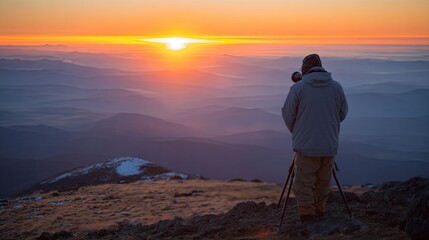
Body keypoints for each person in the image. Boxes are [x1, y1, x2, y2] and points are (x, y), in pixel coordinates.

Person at [282, 54, 348, 223]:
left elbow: (289, 116)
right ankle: (320, 210)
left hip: (306, 146)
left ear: (304, 70)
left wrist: (299, 132)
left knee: (304, 182)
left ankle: (307, 214)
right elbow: (342, 113)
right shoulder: (336, 87)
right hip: (329, 144)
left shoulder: (298, 89)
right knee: (323, 181)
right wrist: (327, 126)